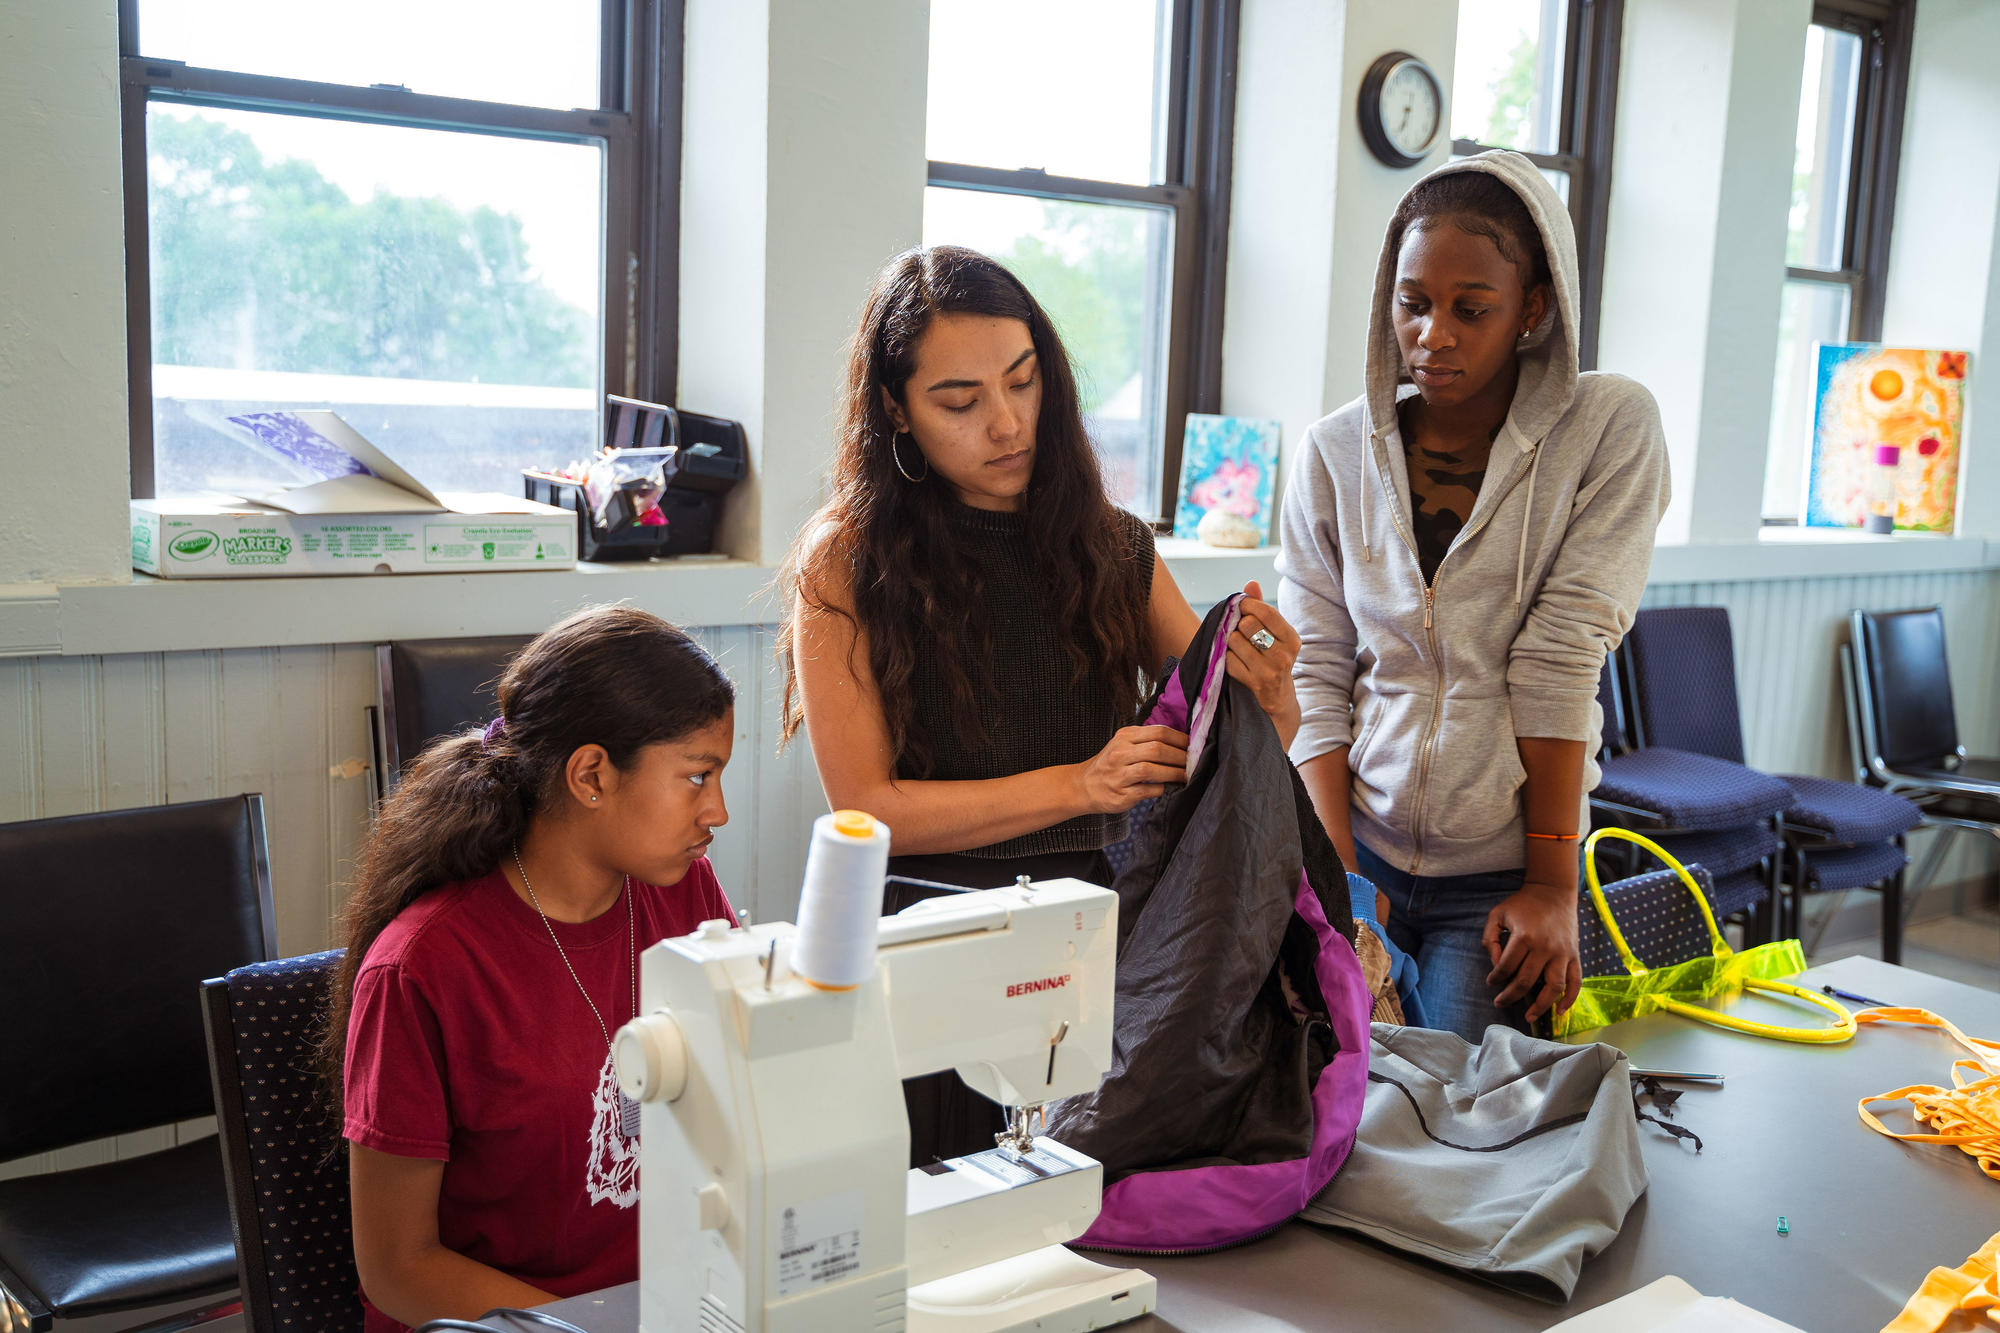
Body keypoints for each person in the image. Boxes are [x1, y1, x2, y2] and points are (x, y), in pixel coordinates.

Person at [775, 244, 1304, 1158]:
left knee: (1084, 1215)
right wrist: (1083, 784)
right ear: (895, 410)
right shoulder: (844, 560)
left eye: (1024, 382)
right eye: (960, 401)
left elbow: (1246, 738)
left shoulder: (1111, 544)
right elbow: (868, 808)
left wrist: (1270, 685)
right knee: (943, 1236)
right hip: (933, 939)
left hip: (1102, 937)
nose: (1008, 423)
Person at [1278, 150, 1670, 1044]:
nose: (1434, 336)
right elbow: (1318, 669)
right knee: (1343, 1118)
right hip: (1361, 848)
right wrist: (1339, 882)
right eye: (1413, 304)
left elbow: (1561, 656)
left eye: (1471, 309)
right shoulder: (1334, 452)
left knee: (1458, 1133)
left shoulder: (1607, 428)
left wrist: (1549, 887)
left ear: (1533, 308)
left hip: (1501, 880)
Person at [318, 606, 738, 1332]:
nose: (719, 811)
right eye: (697, 777)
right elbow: (397, 1266)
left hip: (659, 1303)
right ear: (592, 775)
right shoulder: (423, 968)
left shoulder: (684, 893)